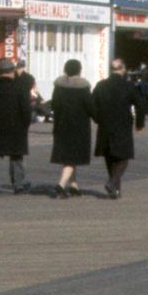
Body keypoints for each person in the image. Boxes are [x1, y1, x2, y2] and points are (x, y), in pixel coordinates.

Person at [93, 58, 147, 199]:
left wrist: (97, 118)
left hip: (105, 124)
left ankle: (115, 189)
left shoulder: (101, 85)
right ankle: (112, 183)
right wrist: (139, 123)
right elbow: (141, 104)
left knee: (109, 155)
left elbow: (92, 105)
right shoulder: (128, 86)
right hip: (122, 124)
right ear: (123, 69)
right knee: (124, 157)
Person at [0, 59, 34, 195]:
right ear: (13, 71)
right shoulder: (21, 89)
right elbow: (27, 111)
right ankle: (18, 185)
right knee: (16, 156)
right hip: (16, 127)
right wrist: (25, 124)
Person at [49, 59, 95, 197]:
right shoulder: (83, 87)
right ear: (79, 70)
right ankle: (61, 185)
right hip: (79, 126)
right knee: (72, 156)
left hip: (61, 124)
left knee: (69, 154)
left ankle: (74, 185)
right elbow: (90, 107)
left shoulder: (59, 86)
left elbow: (54, 105)